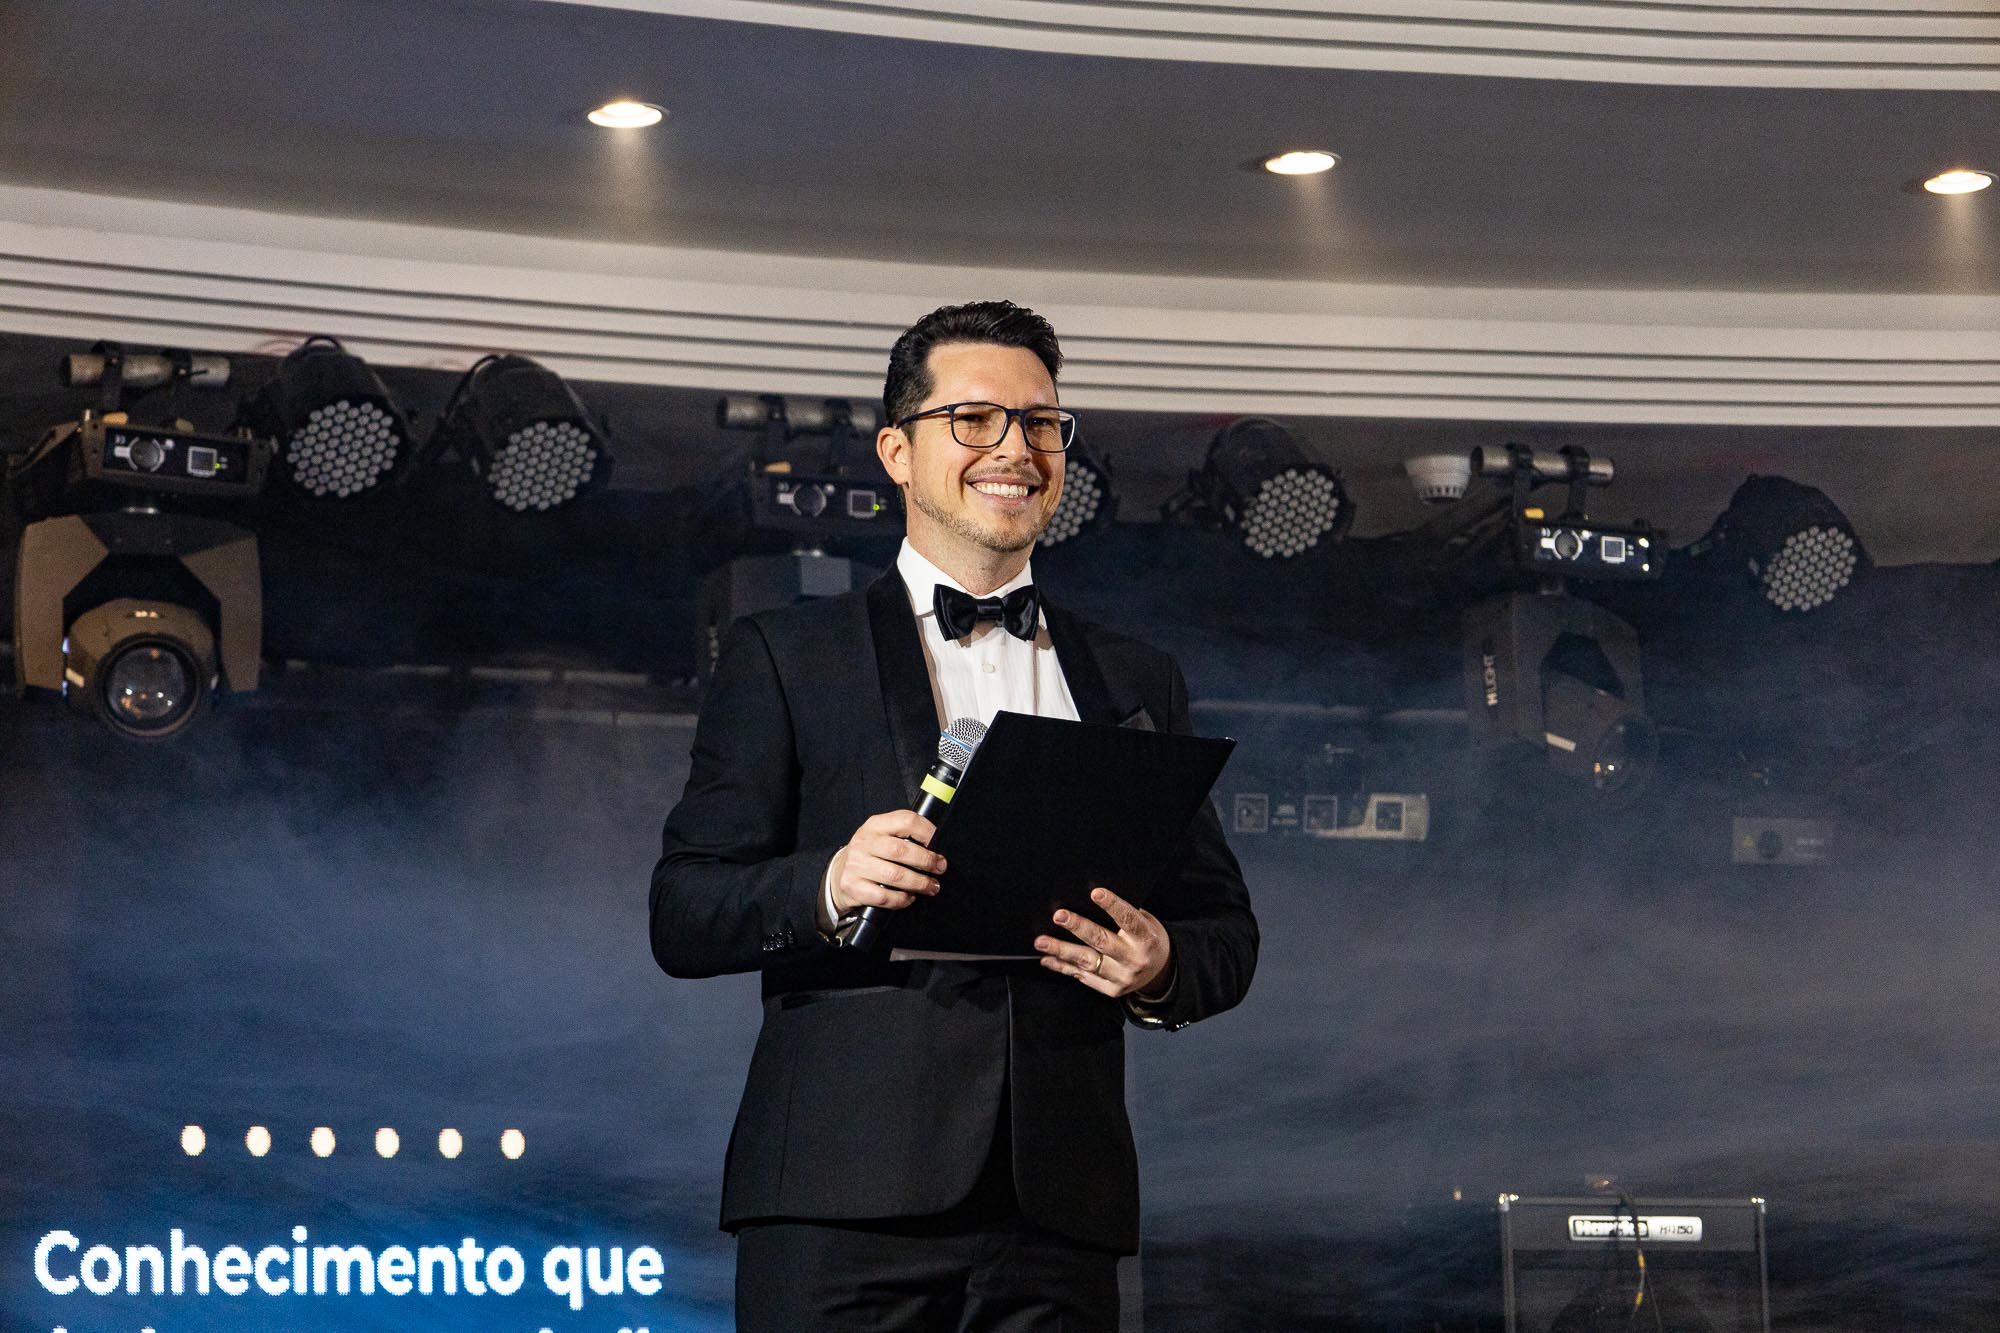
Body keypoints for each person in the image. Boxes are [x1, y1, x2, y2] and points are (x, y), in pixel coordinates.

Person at [650, 300, 1257, 1331]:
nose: (1015, 448)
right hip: (839, 1201)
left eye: (1041, 422)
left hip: (1057, 1214)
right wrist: (830, 883)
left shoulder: (1134, 676)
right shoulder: (786, 655)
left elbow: (1224, 934)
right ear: (898, 451)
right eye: (974, 419)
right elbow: (683, 909)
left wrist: (1157, 966)